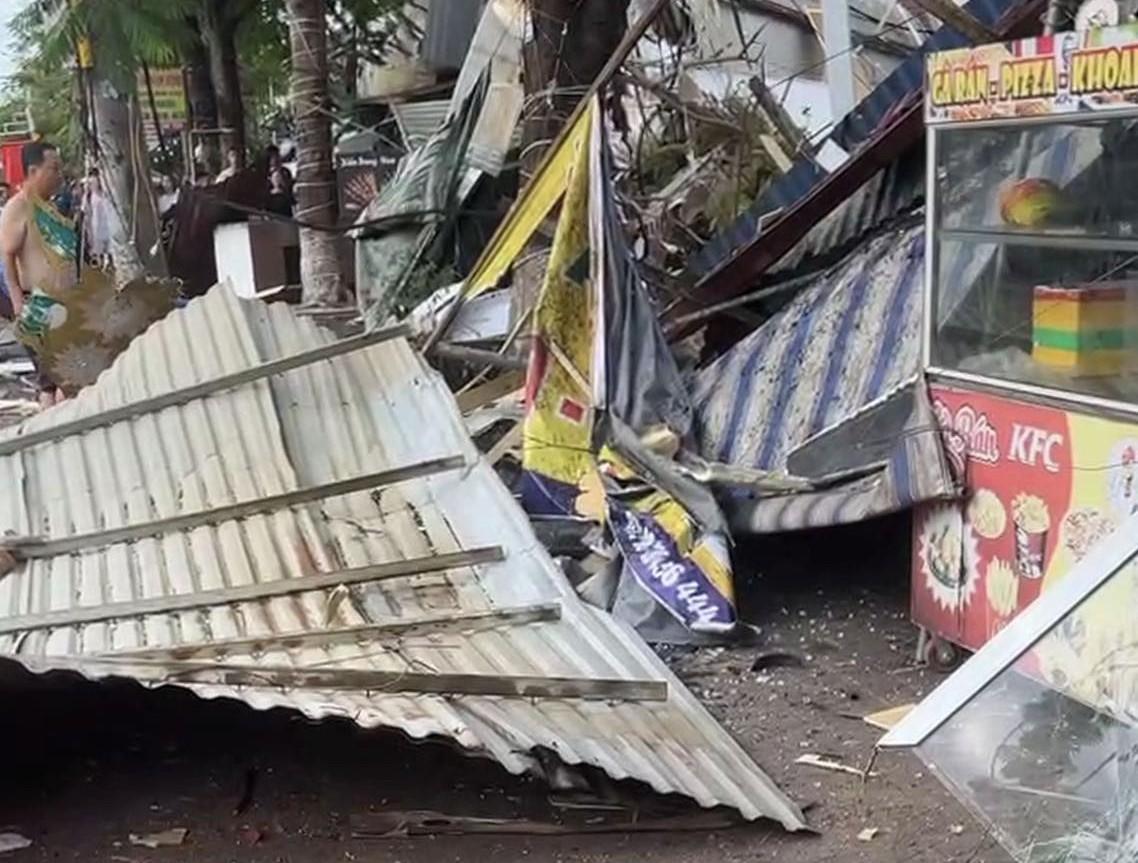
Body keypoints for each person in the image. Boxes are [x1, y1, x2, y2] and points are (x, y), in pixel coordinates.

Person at [0, 141, 73, 407]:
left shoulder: (48, 208)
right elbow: (7, 256)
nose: (59, 175)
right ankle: (55, 425)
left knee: (64, 378)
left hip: (60, 302)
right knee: (56, 380)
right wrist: (18, 302)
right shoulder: (17, 208)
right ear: (33, 171)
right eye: (53, 169)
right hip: (37, 304)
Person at [82, 168, 113, 267]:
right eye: (91, 182)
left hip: (108, 228)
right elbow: (85, 211)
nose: (94, 183)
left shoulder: (107, 194)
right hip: (95, 229)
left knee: (109, 252)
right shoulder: (88, 196)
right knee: (98, 253)